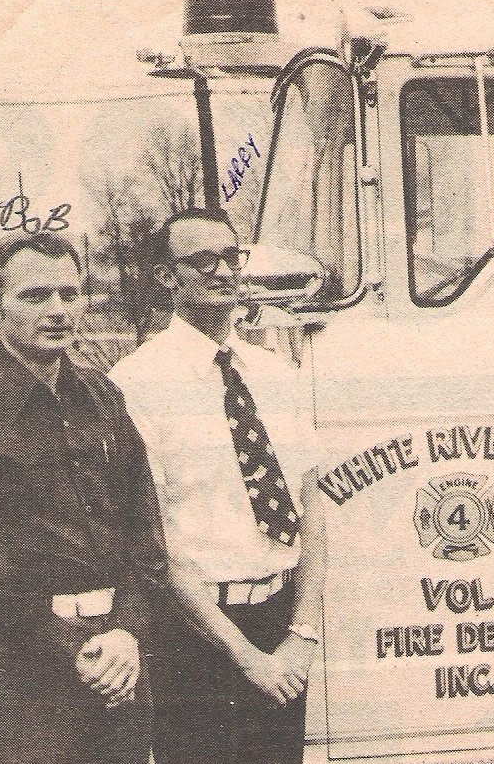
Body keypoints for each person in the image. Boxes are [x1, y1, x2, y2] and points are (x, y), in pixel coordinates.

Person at [0, 231, 168, 764]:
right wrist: (74, 650)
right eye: (34, 296)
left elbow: (143, 527)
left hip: (117, 657)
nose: (57, 311)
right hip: (21, 671)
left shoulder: (101, 395)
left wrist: (126, 632)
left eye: (69, 295)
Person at [110, 207, 326, 764]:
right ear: (164, 277)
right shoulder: (135, 385)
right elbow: (153, 543)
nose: (221, 272)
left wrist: (300, 636)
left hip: (279, 623)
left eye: (231, 258)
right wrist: (248, 658)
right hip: (195, 636)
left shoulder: (276, 374)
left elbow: (311, 507)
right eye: (200, 261)